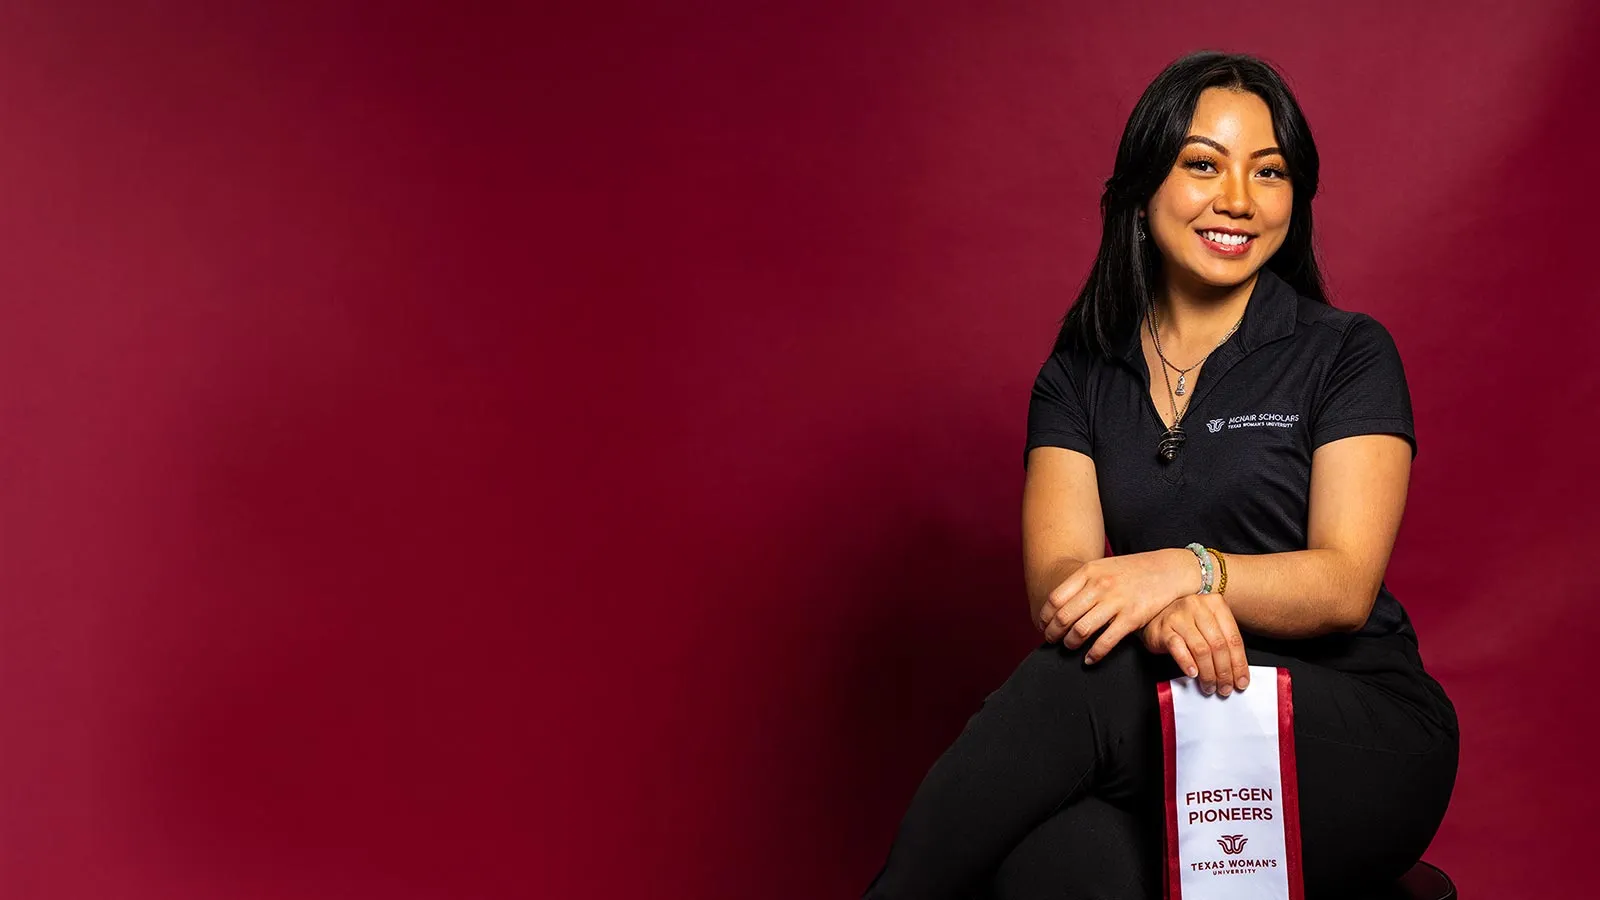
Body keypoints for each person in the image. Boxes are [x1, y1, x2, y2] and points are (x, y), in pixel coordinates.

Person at [861, 51, 1460, 900]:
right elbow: (1061, 586)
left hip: (1351, 729)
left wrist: (1187, 569)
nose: (1239, 201)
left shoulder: (1347, 353)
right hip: (1183, 710)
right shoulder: (1077, 376)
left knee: (1083, 684)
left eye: (1270, 172)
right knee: (1049, 868)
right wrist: (1163, 610)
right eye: (1203, 165)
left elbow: (1343, 584)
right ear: (1145, 186)